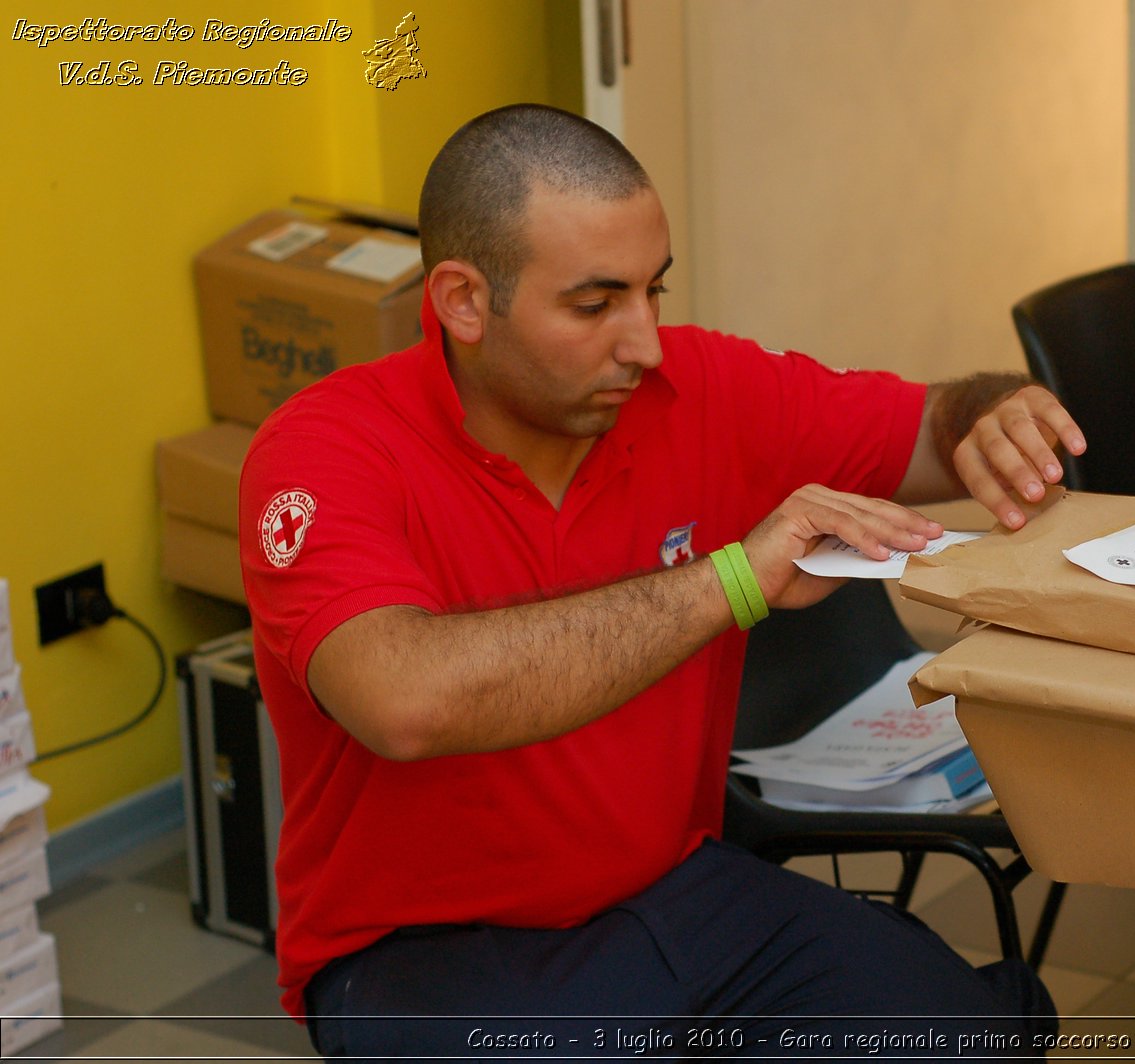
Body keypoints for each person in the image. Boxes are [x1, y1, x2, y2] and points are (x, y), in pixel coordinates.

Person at [239, 103, 1083, 1058]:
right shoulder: (326, 449)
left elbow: (935, 428)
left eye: (655, 292)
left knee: (966, 1030)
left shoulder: (699, 388)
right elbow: (403, 701)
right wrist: (734, 579)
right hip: (422, 949)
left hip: (675, 892)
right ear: (464, 301)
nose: (643, 343)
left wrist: (994, 412)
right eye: (596, 306)